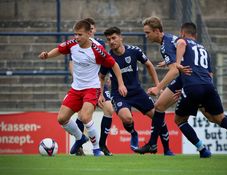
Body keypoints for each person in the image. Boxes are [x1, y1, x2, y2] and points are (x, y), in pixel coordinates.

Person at [135, 16, 227, 157]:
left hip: (190, 82)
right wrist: (171, 63)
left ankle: (159, 145)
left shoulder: (168, 44)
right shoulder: (197, 46)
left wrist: (158, 87)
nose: (146, 36)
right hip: (205, 83)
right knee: (216, 117)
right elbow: (205, 71)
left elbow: (175, 69)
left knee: (173, 115)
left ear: (157, 31)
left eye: (147, 32)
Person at [38, 20, 127, 156]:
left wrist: (121, 83)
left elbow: (114, 65)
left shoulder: (97, 50)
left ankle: (96, 149)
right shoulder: (72, 44)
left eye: (80, 35)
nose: (76, 37)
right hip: (76, 88)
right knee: (62, 119)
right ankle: (80, 138)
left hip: (92, 88)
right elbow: (60, 49)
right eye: (75, 34)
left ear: (88, 34)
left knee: (85, 117)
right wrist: (48, 55)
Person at [173, 22, 227, 158]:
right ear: (196, 34)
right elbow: (210, 74)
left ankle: (203, 150)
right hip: (208, 86)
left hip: (192, 87)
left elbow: (181, 43)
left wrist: (177, 64)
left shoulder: (182, 40)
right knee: (219, 118)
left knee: (179, 120)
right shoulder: (204, 50)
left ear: (183, 32)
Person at [99, 26, 175, 155]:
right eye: (108, 40)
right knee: (127, 118)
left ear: (121, 37)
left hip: (137, 92)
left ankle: (167, 149)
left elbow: (149, 65)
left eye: (114, 38)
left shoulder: (134, 51)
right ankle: (133, 132)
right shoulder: (107, 58)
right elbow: (101, 77)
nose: (111, 41)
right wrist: (100, 94)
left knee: (158, 118)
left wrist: (158, 86)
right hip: (119, 95)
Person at [68, 17, 114, 156]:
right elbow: (72, 63)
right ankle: (80, 144)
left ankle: (102, 145)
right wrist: (76, 77)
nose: (92, 31)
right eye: (90, 28)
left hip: (97, 83)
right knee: (83, 115)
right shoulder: (77, 45)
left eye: (93, 28)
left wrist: (107, 78)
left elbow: (106, 63)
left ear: (93, 30)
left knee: (109, 109)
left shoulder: (99, 44)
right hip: (83, 84)